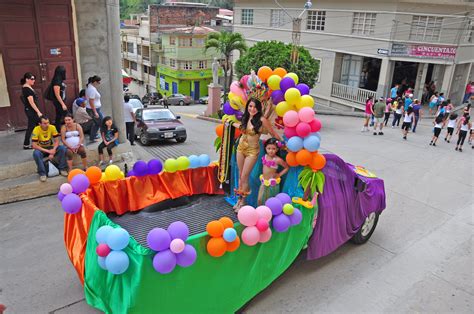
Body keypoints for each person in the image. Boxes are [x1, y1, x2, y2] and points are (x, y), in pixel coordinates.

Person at [235, 98, 282, 211]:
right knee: (241, 174)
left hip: (252, 151)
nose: (252, 109)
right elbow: (241, 129)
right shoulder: (246, 117)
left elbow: (274, 134)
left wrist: (282, 145)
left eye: (255, 107)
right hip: (241, 148)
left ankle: (243, 201)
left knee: (245, 176)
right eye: (250, 106)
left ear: (259, 108)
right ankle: (239, 199)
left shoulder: (262, 120)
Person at [31, 116, 68, 182]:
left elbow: (57, 141)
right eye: (45, 123)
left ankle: (62, 169)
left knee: (62, 148)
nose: (47, 124)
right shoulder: (36, 129)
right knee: (36, 153)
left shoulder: (52, 127)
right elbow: (34, 145)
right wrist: (49, 152)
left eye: (48, 122)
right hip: (41, 149)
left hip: (50, 147)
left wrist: (53, 150)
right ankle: (42, 174)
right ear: (40, 124)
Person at [257, 138, 289, 205]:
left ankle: (270, 214)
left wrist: (279, 174)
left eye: (273, 149)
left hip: (272, 184)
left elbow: (286, 167)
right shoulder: (265, 156)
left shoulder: (277, 160)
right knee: (260, 199)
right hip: (264, 183)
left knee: (270, 201)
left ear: (277, 149)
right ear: (265, 148)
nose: (271, 151)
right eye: (269, 148)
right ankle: (260, 212)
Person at [21, 72, 42, 149]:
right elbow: (31, 102)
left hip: (31, 110)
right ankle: (26, 144)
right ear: (27, 79)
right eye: (32, 79)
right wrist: (38, 111)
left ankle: (39, 142)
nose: (34, 80)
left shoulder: (27, 87)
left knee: (37, 126)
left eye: (34, 79)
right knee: (31, 127)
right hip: (31, 111)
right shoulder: (26, 89)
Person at [49, 66, 68, 131]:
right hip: (58, 101)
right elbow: (57, 94)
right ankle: (71, 129)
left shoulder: (59, 79)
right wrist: (62, 104)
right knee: (67, 115)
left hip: (60, 101)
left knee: (58, 115)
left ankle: (58, 130)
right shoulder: (57, 81)